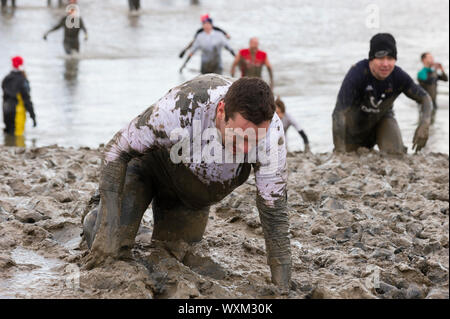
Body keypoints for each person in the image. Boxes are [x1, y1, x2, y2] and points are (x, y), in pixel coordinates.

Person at [82, 75, 292, 292]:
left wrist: (283, 285)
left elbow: (274, 211)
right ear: (221, 111)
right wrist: (107, 228)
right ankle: (96, 216)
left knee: (173, 258)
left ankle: (140, 228)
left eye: (255, 140)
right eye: (241, 137)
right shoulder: (184, 106)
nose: (248, 149)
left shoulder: (271, 135)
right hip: (148, 170)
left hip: (192, 197)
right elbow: (116, 151)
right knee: (111, 248)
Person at [332, 33, 432, 155]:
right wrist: (339, 151)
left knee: (396, 155)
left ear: (395, 60)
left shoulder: (398, 76)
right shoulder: (357, 73)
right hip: (354, 128)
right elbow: (339, 112)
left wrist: (425, 123)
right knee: (346, 154)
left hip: (381, 121)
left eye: (390, 58)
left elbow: (425, 98)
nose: (385, 64)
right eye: (380, 58)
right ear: (371, 59)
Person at [2, 56, 36, 138]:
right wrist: (33, 116)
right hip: (17, 112)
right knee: (18, 136)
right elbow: (27, 99)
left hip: (5, 110)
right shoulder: (22, 80)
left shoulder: (6, 78)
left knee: (8, 133)